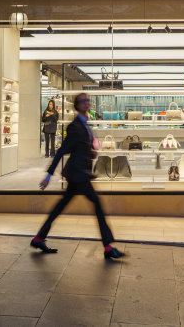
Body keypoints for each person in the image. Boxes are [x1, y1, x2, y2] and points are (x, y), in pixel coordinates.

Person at [30, 93, 125, 259]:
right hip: (78, 174)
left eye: (88, 100)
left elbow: (81, 147)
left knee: (61, 206)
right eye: (83, 101)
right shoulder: (75, 126)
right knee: (98, 205)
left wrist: (91, 152)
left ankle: (38, 238)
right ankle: (108, 247)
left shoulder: (85, 124)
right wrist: (49, 174)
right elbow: (62, 150)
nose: (87, 103)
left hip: (78, 174)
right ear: (77, 105)